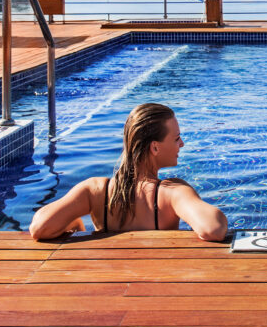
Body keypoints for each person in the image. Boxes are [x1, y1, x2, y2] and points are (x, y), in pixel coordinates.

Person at [29, 102, 228, 242]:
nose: (182, 144)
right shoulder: (172, 193)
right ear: (155, 148)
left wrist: (74, 223)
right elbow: (213, 229)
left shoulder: (95, 190)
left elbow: (40, 227)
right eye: (177, 138)